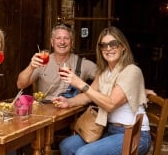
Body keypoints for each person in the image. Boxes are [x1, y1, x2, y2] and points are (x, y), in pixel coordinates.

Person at [53, 26, 151, 155]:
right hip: (109, 130)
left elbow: (111, 104)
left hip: (134, 134)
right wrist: (68, 101)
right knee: (66, 145)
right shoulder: (104, 72)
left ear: (123, 47)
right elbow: (88, 96)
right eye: (104, 45)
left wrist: (80, 83)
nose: (108, 48)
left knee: (84, 153)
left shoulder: (131, 71)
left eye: (113, 44)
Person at [17, 23, 97, 100]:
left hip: (72, 110)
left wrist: (88, 94)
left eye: (66, 38)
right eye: (58, 38)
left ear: (72, 43)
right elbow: (20, 85)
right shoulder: (42, 62)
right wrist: (31, 67)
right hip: (46, 110)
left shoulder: (83, 64)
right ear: (52, 42)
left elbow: (105, 77)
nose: (62, 42)